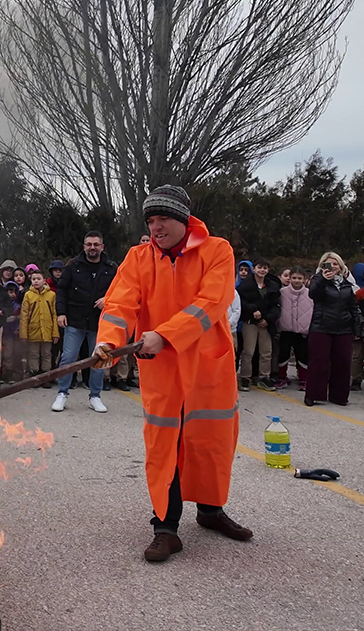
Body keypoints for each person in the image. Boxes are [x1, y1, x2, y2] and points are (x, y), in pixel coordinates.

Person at [92, 185, 249, 563]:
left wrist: (165, 335)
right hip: (161, 370)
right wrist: (108, 344)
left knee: (211, 440)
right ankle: (165, 527)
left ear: (182, 219)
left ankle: (211, 512)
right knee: (164, 445)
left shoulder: (218, 250)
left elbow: (212, 302)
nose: (156, 226)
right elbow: (119, 305)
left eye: (162, 218)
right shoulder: (138, 258)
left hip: (208, 366)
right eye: (150, 220)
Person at [52, 231, 118, 413]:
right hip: (74, 319)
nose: (92, 247)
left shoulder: (111, 268)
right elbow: (62, 290)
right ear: (84, 246)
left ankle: (95, 396)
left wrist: (108, 298)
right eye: (89, 244)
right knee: (68, 358)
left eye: (96, 244)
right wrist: (61, 312)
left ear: (102, 247)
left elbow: (122, 289)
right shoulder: (73, 266)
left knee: (98, 359)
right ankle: (62, 393)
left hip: (100, 322)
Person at [305, 254, 363, 407]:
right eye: (328, 264)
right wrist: (324, 280)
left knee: (343, 362)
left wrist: (356, 328)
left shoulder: (346, 283)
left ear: (341, 265)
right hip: (321, 326)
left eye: (335, 263)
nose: (333, 267)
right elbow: (313, 295)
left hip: (343, 327)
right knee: (319, 362)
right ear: (322, 266)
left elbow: (353, 306)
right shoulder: (318, 279)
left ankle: (339, 396)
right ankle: (314, 395)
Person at [235, 258, 281, 392]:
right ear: (254, 269)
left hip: (266, 323)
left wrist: (268, 319)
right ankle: (245, 377)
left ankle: (264, 377)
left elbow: (276, 306)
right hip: (250, 322)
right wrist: (252, 309)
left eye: (265, 268)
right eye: (260, 267)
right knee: (248, 351)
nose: (262, 270)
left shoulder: (272, 285)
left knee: (266, 351)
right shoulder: (244, 286)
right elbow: (240, 302)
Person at [21, 270, 59, 390]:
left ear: (44, 280)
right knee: (33, 354)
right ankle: (35, 375)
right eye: (33, 279)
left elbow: (54, 315)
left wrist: (55, 333)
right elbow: (24, 315)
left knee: (47, 354)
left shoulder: (51, 295)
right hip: (33, 331)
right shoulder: (28, 295)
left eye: (38, 279)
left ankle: (46, 377)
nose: (36, 281)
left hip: (47, 331)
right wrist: (23, 333)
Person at [276, 268, 313, 392]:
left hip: (303, 330)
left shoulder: (310, 293)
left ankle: (304, 378)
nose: (297, 281)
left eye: (299, 278)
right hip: (286, 328)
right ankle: (282, 377)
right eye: (294, 278)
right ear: (289, 278)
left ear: (305, 279)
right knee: (283, 353)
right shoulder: (282, 292)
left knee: (302, 354)